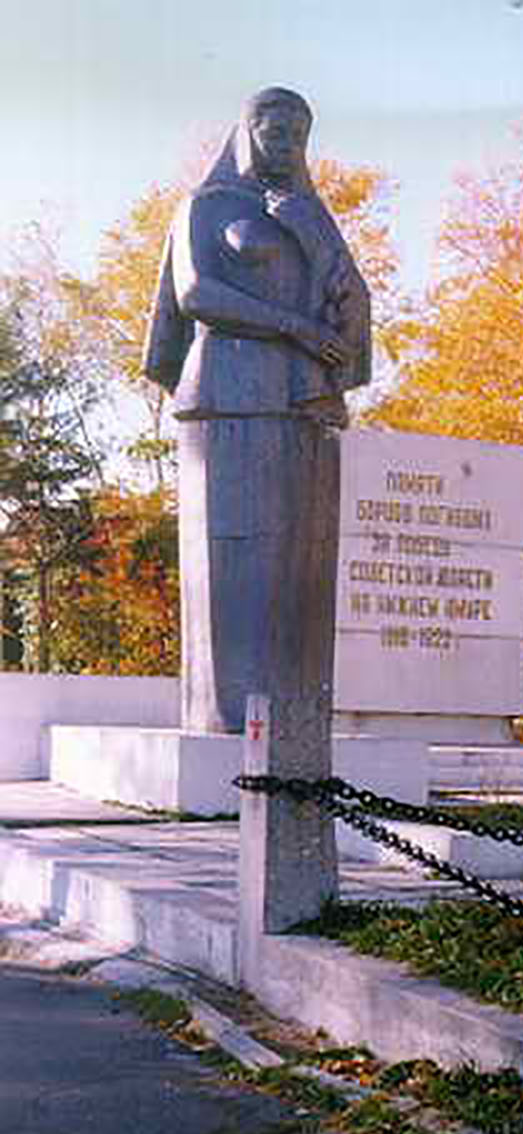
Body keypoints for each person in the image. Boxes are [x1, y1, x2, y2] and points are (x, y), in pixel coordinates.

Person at [143, 87, 370, 733]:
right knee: (230, 556)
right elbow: (195, 292)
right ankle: (224, 720)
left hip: (302, 402)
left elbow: (351, 303)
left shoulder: (310, 213)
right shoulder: (208, 207)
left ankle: (295, 722)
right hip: (227, 393)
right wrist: (291, 326)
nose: (289, 146)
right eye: (277, 133)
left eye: (300, 136)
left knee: (299, 560)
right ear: (249, 134)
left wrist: (310, 234)